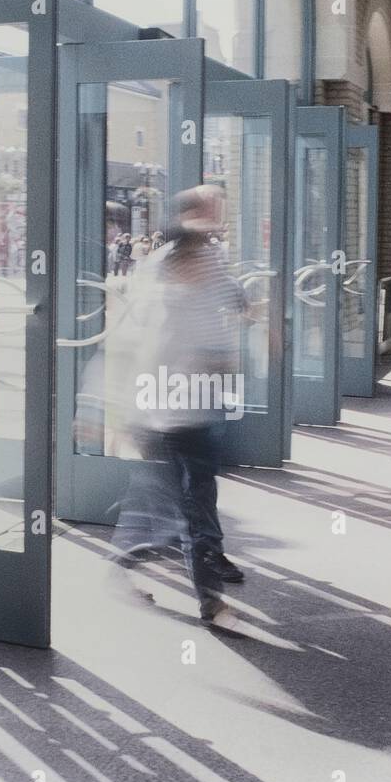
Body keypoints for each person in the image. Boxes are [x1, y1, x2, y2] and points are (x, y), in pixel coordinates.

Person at [108, 186, 248, 628]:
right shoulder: (155, 272)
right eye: (207, 214)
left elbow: (227, 307)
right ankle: (130, 564)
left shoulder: (211, 261)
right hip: (156, 406)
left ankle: (210, 597)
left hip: (197, 407)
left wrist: (225, 359)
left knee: (193, 499)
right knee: (164, 503)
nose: (213, 223)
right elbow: (133, 341)